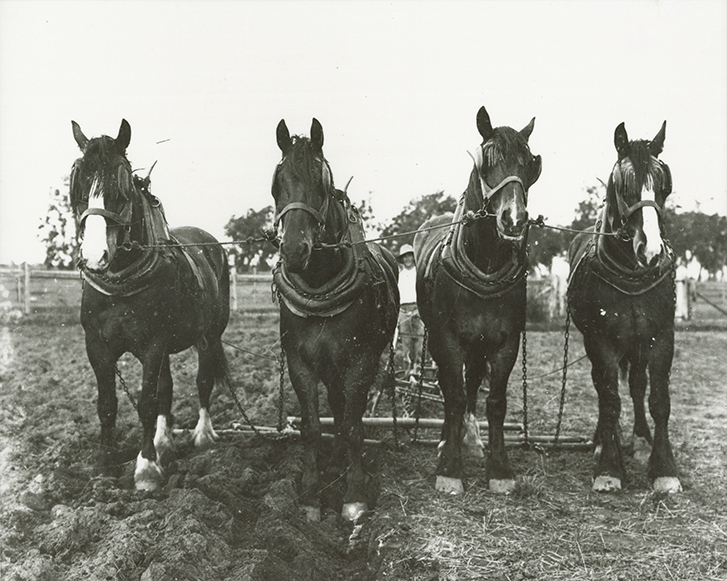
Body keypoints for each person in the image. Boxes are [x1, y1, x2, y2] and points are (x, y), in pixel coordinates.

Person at [396, 244, 424, 379]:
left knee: (420, 344)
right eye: (404, 256)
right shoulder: (399, 275)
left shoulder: (419, 273)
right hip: (403, 311)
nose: (407, 259)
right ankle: (408, 374)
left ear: (414, 257)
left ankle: (418, 372)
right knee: (406, 344)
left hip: (417, 310)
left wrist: (420, 309)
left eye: (409, 255)